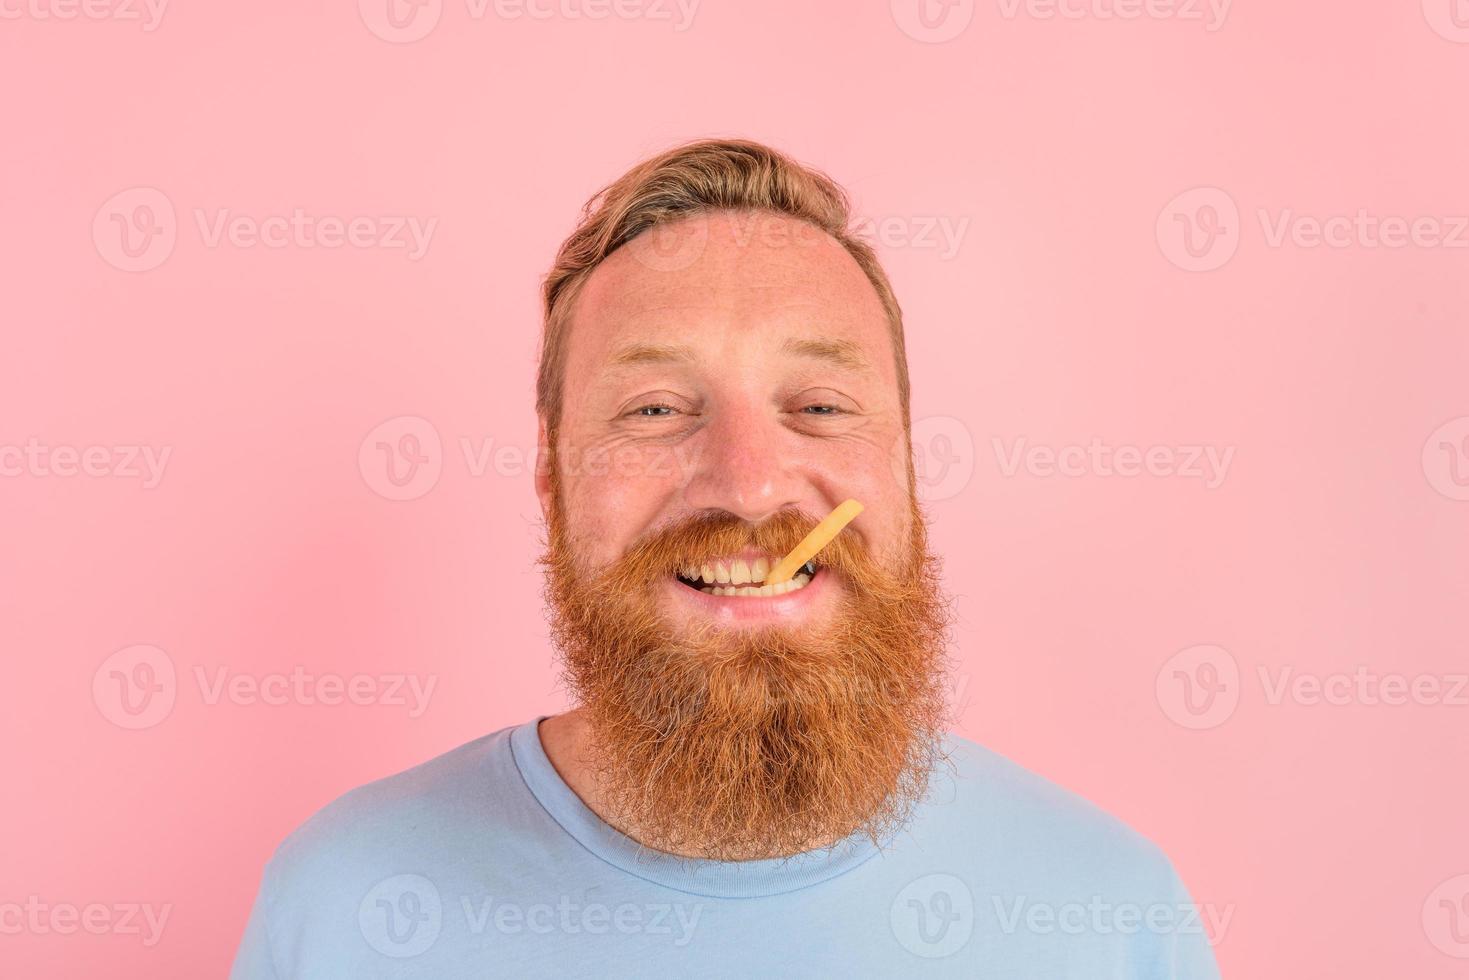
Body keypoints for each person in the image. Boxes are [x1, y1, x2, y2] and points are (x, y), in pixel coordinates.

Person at [230, 138, 1221, 978]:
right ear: (550, 476)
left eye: (821, 408)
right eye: (655, 409)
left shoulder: (1109, 916)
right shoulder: (344, 903)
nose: (747, 485)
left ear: (908, 468)